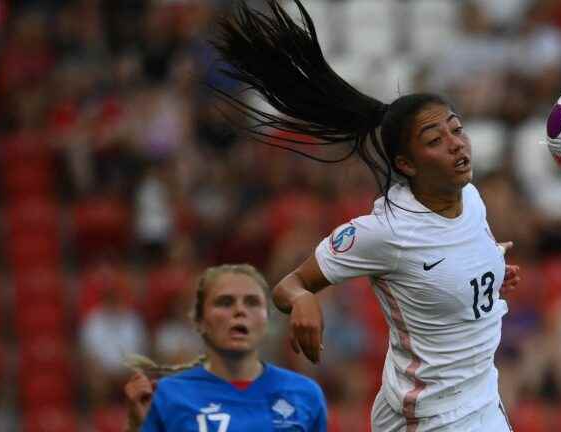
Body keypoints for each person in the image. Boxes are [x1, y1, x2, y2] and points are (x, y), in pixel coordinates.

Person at [203, 1, 523, 430]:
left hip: (476, 399)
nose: (455, 143)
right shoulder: (387, 231)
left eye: (456, 128)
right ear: (406, 164)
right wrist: (302, 300)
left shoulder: (472, 197)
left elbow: (455, 254)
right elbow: (289, 284)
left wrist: (490, 264)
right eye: (434, 138)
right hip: (431, 416)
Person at [123, 264, 327, 432]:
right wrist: (137, 426)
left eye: (252, 302)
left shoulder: (304, 394)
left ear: (266, 320)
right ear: (200, 321)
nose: (240, 310)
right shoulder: (168, 395)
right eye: (225, 302)